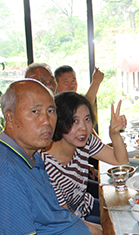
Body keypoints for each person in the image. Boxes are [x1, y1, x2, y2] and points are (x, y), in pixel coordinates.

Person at [0, 79, 110, 235]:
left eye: (50, 111)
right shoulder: (4, 173)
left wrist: (92, 229)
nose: (47, 121)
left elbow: (53, 213)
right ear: (9, 117)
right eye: (35, 112)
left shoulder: (30, 156)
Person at [42, 91, 128, 223]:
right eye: (74, 121)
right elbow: (66, 218)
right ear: (59, 122)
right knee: (119, 227)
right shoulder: (46, 166)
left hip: (85, 206)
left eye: (87, 119)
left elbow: (120, 160)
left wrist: (115, 134)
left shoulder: (85, 142)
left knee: (128, 213)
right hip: (70, 221)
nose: (83, 128)